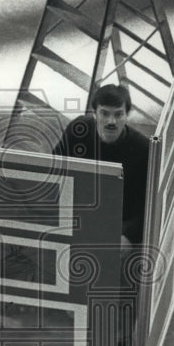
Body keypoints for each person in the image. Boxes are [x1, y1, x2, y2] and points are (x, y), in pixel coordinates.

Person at [52, 84, 150, 247]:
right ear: (94, 114)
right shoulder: (78, 129)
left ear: (127, 116)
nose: (111, 122)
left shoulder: (143, 148)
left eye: (119, 115)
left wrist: (128, 236)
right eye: (104, 113)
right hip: (77, 216)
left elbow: (148, 205)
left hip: (118, 226)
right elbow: (54, 169)